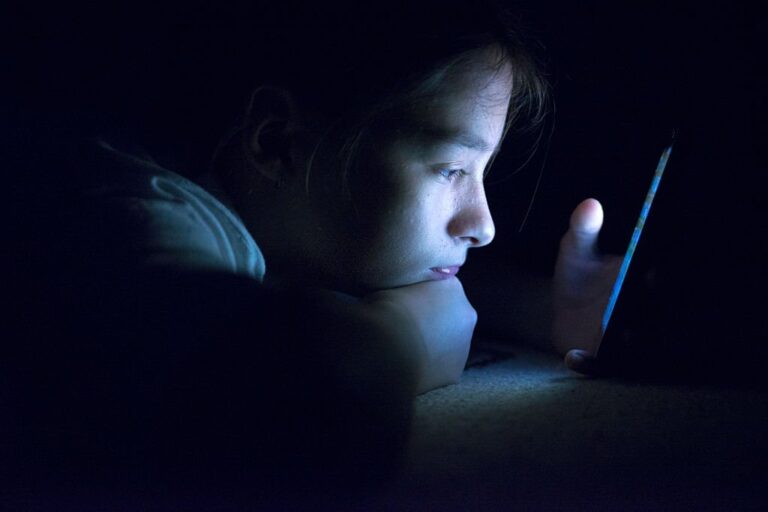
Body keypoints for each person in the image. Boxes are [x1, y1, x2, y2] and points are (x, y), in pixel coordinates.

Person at [9, 0, 622, 501]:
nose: (483, 224)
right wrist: (400, 341)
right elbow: (298, 412)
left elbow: (335, 278)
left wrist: (545, 311)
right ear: (278, 142)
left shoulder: (271, 218)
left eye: (481, 171)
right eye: (448, 169)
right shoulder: (138, 213)